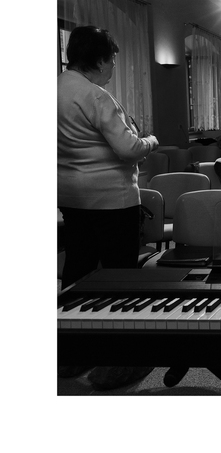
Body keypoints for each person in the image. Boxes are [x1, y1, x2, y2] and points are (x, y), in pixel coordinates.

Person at [58, 25, 158, 388]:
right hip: (112, 200)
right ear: (99, 61)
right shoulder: (95, 95)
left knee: (78, 272)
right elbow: (128, 148)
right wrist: (150, 140)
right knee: (120, 277)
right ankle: (121, 360)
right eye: (112, 60)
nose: (114, 67)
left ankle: (73, 353)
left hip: (71, 197)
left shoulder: (54, 89)